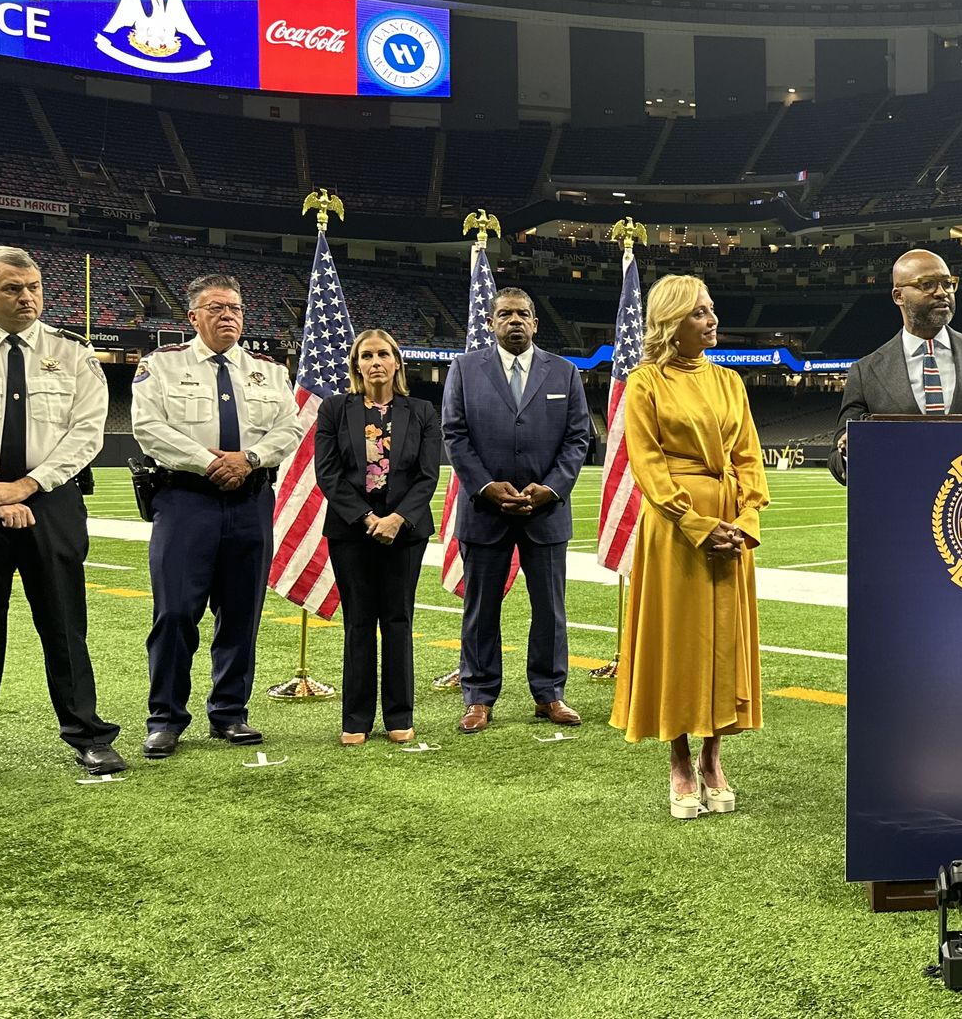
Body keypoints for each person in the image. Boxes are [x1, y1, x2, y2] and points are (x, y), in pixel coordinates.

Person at [609, 275, 770, 818]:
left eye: (712, 308)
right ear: (672, 323)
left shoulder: (730, 381)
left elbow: (749, 456)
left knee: (724, 639)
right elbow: (648, 465)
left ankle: (713, 756)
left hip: (730, 525)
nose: (712, 318)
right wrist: (698, 524)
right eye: (700, 312)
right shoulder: (644, 383)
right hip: (676, 529)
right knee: (679, 639)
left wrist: (745, 520)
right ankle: (679, 758)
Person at [132, 274, 306, 758]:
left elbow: (289, 430)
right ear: (193, 317)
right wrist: (210, 461)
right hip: (186, 499)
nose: (228, 315)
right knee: (174, 614)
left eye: (235, 308)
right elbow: (148, 428)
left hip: (250, 500)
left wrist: (247, 460)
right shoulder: (160, 367)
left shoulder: (268, 371)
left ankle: (230, 713)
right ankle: (165, 719)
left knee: (240, 614)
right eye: (215, 308)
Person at [0, 246, 125, 776]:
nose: (27, 297)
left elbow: (87, 432)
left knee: (64, 622)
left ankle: (88, 733)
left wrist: (29, 485)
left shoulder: (73, 353)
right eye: (12, 288)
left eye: (34, 287)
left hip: (51, 497)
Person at [441, 288, 592, 734]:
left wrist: (551, 489)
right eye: (505, 314)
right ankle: (479, 697)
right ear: (491, 323)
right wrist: (487, 487)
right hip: (485, 512)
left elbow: (578, 438)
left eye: (523, 314)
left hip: (545, 512)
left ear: (536, 322)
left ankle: (549, 694)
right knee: (481, 609)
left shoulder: (564, 372)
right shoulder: (464, 369)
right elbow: (455, 434)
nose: (515, 321)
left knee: (550, 609)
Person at [314, 329, 440, 746]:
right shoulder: (335, 409)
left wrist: (397, 518)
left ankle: (399, 715)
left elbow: (427, 475)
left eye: (383, 354)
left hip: (405, 533)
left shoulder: (420, 410)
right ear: (356, 365)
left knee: (399, 620)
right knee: (359, 622)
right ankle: (356, 719)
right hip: (352, 531)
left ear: (397, 362)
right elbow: (328, 473)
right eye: (366, 355)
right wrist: (369, 518)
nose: (376, 362)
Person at [830, 249, 962, 484]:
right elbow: (837, 457)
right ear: (898, 296)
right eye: (928, 284)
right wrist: (849, 451)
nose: (942, 293)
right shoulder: (865, 371)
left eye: (948, 283)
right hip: (900, 506)